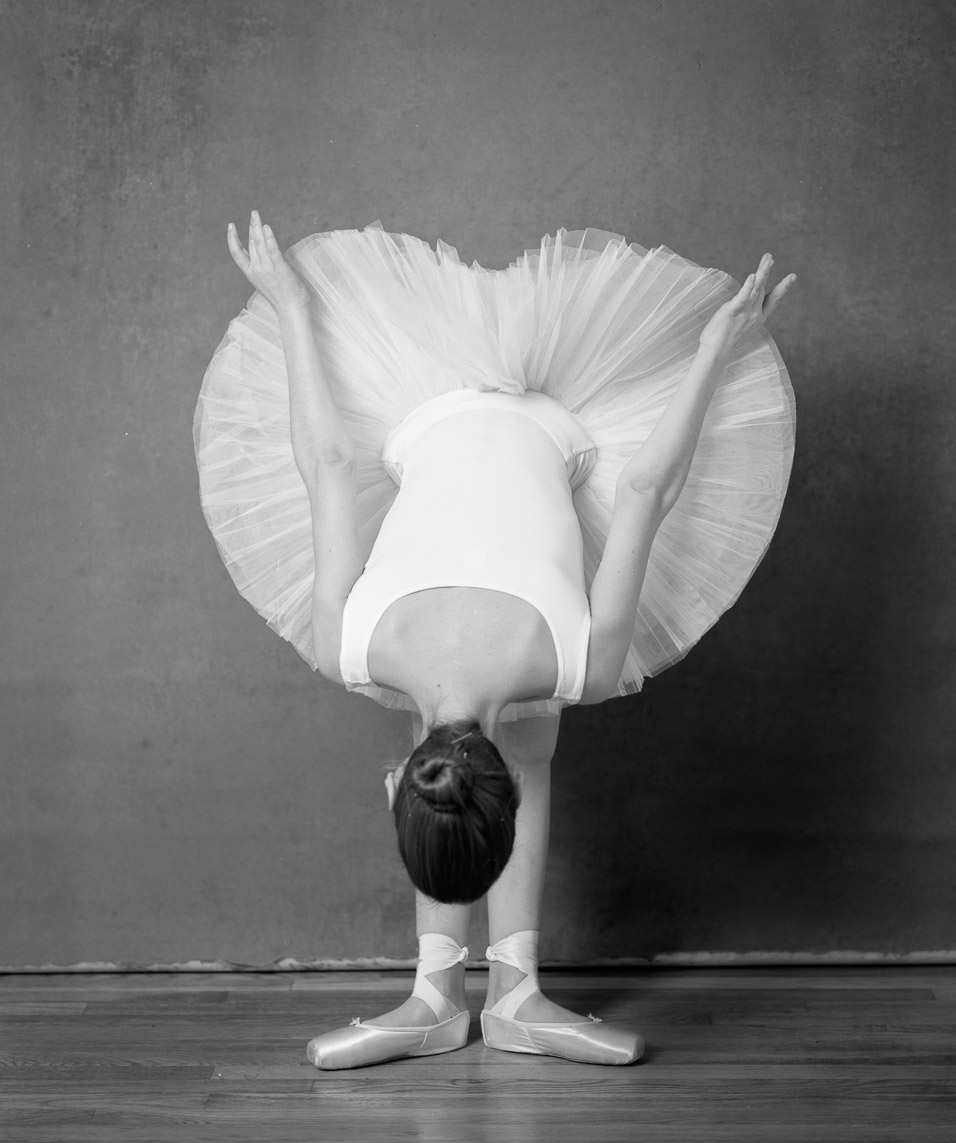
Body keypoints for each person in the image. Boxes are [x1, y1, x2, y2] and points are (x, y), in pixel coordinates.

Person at [195, 211, 796, 1069]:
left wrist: (710, 349)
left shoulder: (570, 665)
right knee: (520, 731)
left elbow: (645, 492)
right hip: (550, 423)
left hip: (453, 407)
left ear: (401, 782)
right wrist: (712, 350)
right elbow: (328, 463)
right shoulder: (354, 644)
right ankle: (490, 995)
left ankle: (450, 995)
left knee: (500, 722)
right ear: (397, 785)